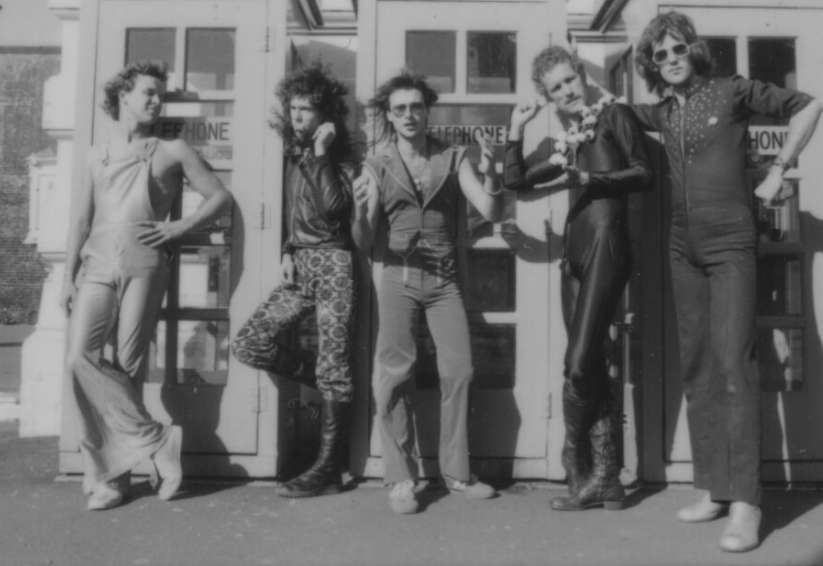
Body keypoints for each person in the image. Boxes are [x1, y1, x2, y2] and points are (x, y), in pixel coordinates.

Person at [627, 11, 822, 553]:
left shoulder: (732, 91)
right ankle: (715, 489)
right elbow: (611, 114)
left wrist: (780, 167)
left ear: (694, 49)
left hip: (731, 239)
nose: (671, 59)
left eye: (678, 49)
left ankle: (746, 503)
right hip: (680, 244)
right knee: (698, 366)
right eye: (660, 54)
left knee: (734, 364)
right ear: (651, 64)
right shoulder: (663, 111)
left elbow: (810, 105)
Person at [62, 60, 232, 511]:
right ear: (124, 96)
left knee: (128, 365)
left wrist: (179, 227)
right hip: (97, 260)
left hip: (145, 259)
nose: (157, 101)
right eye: (149, 93)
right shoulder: (95, 155)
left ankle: (114, 479)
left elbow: (220, 197)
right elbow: (81, 220)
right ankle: (157, 441)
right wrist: (66, 278)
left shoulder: (172, 150)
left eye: (161, 95)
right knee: (79, 357)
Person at [503, 46, 654, 512]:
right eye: (556, 88)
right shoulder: (570, 139)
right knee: (590, 362)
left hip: (607, 245)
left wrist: (589, 179)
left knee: (577, 365)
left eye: (570, 80)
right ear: (548, 96)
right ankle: (607, 482)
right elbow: (515, 181)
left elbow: (644, 172)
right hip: (574, 255)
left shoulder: (613, 115)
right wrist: (516, 128)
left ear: (582, 76)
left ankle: (576, 459)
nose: (567, 91)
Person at [353, 70, 502, 514]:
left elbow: (490, 208)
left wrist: (492, 170)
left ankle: (456, 473)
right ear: (389, 115)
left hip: (443, 280)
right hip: (397, 279)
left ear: (426, 110)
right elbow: (364, 239)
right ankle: (401, 479)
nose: (409, 115)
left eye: (416, 107)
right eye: (399, 109)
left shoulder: (452, 156)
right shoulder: (377, 164)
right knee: (394, 375)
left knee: (459, 371)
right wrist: (359, 213)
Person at [230, 63, 358, 499]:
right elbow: (293, 211)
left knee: (336, 367)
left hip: (335, 265)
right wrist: (287, 249)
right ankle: (325, 383)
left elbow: (335, 209)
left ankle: (327, 470)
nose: (298, 116)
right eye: (293, 108)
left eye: (307, 109)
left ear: (326, 115)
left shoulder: (341, 159)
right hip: (301, 265)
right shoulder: (293, 157)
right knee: (249, 342)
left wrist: (322, 153)